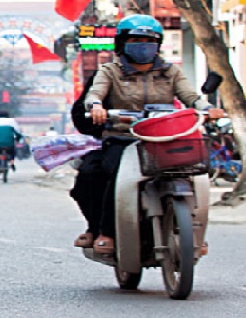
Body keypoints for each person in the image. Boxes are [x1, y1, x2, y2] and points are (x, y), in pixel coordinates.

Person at [70, 14, 225, 255]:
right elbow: (95, 94)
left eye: (149, 40)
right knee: (105, 175)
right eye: (136, 40)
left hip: (164, 138)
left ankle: (195, 235)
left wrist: (207, 109)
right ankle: (106, 231)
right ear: (122, 43)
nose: (143, 45)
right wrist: (97, 108)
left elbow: (190, 97)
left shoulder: (170, 72)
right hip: (122, 138)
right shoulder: (110, 71)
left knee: (193, 173)